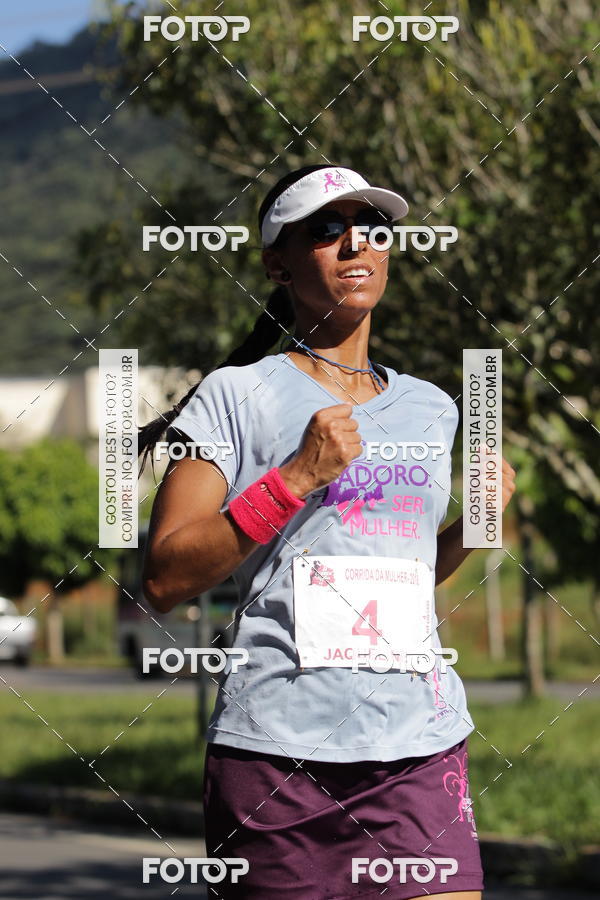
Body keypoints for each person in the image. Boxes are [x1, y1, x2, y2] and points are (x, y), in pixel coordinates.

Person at [139, 163, 516, 899]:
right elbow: (166, 576)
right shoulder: (235, 395)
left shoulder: (432, 408)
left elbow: (397, 575)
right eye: (326, 229)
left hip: (419, 745)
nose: (355, 245)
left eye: (372, 229)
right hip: (278, 759)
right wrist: (294, 479)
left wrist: (473, 529)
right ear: (277, 264)